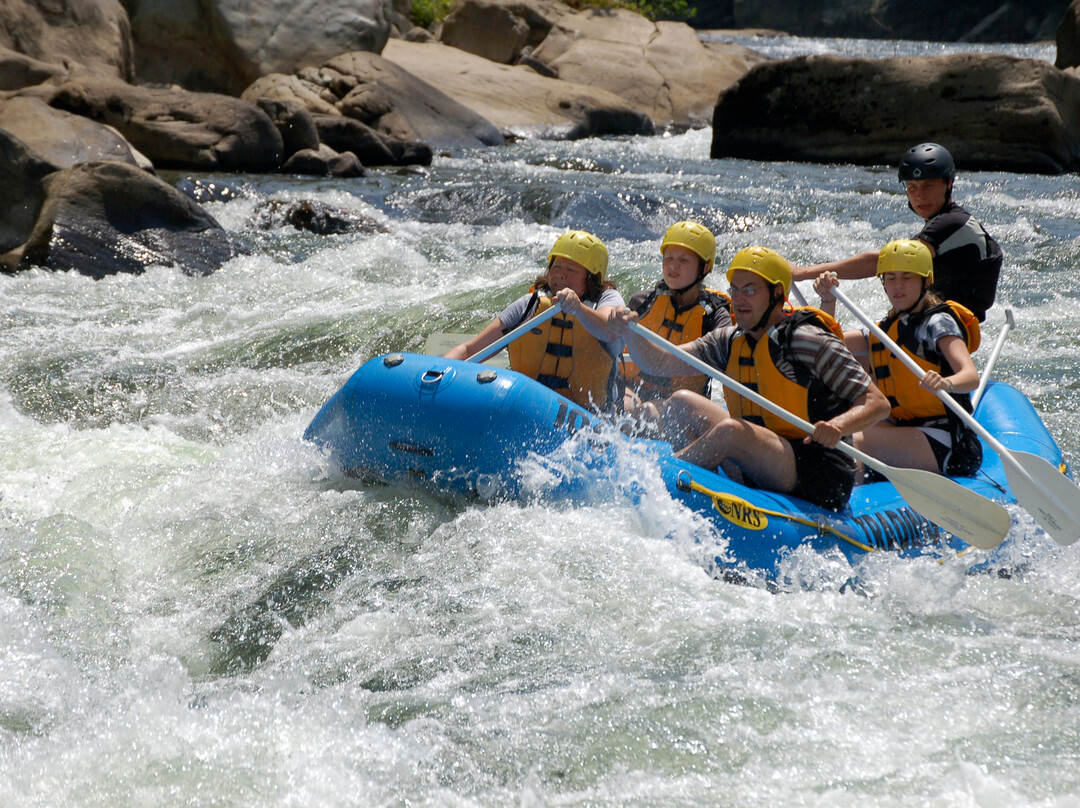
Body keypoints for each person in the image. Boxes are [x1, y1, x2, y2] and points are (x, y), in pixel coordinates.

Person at [611, 245, 890, 510]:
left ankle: (658, 485)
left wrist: (839, 426)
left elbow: (877, 403)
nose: (739, 298)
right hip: (760, 456)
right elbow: (658, 362)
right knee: (679, 404)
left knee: (731, 432)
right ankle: (693, 494)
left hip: (816, 470)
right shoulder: (730, 339)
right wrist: (629, 332)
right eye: (735, 289)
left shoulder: (808, 340)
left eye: (750, 290)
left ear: (777, 294)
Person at [814, 239, 983, 479]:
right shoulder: (886, 329)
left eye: (907, 277)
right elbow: (825, 345)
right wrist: (827, 301)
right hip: (905, 429)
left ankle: (844, 492)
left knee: (848, 437)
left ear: (926, 281)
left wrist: (946, 383)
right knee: (840, 421)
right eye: (890, 278)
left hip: (949, 443)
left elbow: (970, 376)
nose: (897, 286)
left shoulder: (938, 322)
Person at [791, 142, 1003, 322]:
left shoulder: (954, 222)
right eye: (912, 187)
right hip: (925, 323)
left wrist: (802, 273)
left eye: (928, 185)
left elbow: (885, 261)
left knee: (828, 353)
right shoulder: (943, 222)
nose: (919, 195)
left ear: (948, 184)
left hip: (940, 335)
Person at [443, 230, 625, 411]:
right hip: (531, 407)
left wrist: (578, 308)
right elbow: (470, 349)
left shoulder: (607, 299)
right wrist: (436, 371)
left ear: (592, 278)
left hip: (591, 415)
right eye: (557, 267)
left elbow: (609, 330)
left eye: (571, 270)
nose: (561, 274)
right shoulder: (529, 305)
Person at [621, 221, 732, 417]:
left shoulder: (715, 316)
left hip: (680, 404)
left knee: (647, 412)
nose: (673, 265)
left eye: (684, 260)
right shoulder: (642, 301)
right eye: (669, 257)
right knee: (627, 408)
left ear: (704, 268)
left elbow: (728, 361)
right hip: (633, 389)